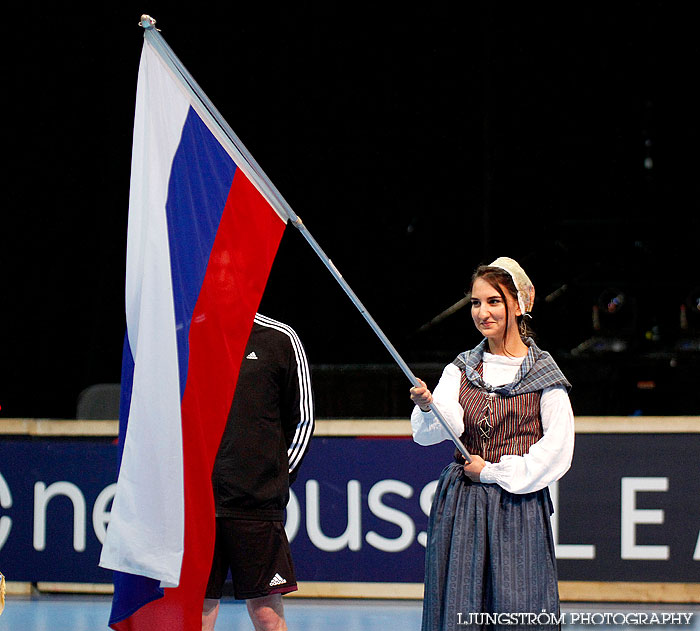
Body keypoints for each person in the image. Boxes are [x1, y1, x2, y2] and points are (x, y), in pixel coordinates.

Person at [409, 257, 574, 631]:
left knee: (519, 607)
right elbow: (433, 432)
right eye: (476, 303)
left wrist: (493, 472)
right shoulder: (461, 367)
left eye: (493, 301)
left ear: (518, 304)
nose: (482, 312)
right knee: (460, 608)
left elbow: (558, 450)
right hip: (463, 503)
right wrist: (429, 406)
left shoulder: (543, 373)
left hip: (517, 506)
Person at [202, 313, 314, 631]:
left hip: (256, 505)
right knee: (198, 610)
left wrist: (276, 477)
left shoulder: (279, 338)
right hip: (198, 504)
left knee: (266, 613)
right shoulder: (187, 331)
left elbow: (303, 418)